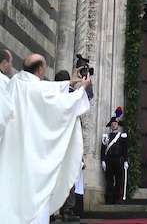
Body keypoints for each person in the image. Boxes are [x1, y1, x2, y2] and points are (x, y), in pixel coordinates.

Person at [0, 53, 91, 223]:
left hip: (12, 154)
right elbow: (64, 104)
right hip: (34, 162)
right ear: (41, 69)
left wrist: (69, 81)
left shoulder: (14, 83)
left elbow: (47, 89)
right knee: (36, 203)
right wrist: (82, 88)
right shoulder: (38, 90)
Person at [54, 70, 80, 222]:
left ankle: (51, 212)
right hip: (66, 144)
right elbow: (87, 97)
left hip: (54, 144)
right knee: (68, 177)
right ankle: (67, 210)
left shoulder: (49, 94)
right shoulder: (70, 96)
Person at [101, 111, 128, 204]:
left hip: (118, 160)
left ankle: (117, 199)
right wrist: (103, 160)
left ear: (118, 125)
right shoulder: (106, 136)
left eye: (115, 123)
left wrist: (125, 160)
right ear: (110, 125)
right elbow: (103, 149)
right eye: (112, 124)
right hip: (109, 160)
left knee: (119, 180)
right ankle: (109, 199)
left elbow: (125, 149)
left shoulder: (122, 136)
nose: (114, 125)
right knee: (109, 180)